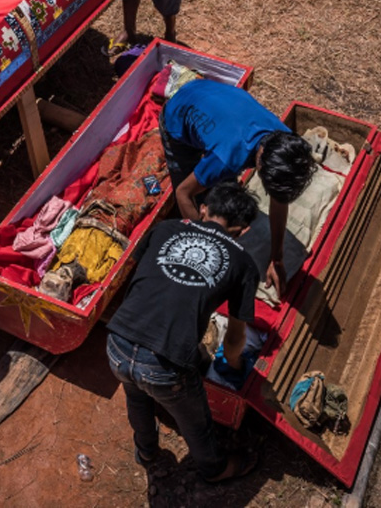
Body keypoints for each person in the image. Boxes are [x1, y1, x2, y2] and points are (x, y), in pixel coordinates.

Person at [106, 181, 261, 483]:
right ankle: (214, 468)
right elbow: (233, 339)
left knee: (135, 394)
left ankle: (146, 451)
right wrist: (233, 366)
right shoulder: (243, 262)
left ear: (203, 210)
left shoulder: (164, 229)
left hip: (117, 342)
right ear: (243, 230)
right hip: (165, 365)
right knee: (196, 420)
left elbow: (138, 276)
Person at [160, 79, 317, 299]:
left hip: (211, 93)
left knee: (221, 191)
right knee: (196, 193)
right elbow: (183, 193)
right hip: (178, 114)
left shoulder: (284, 142)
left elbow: (279, 199)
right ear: (259, 164)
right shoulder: (229, 157)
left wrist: (277, 258)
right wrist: (207, 248)